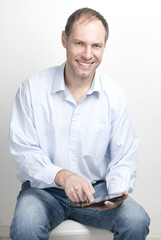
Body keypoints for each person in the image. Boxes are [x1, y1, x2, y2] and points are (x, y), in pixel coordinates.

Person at [9, 7, 150, 240]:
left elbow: (124, 155)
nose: (87, 54)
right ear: (64, 39)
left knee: (136, 221)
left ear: (104, 47)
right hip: (43, 192)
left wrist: (116, 192)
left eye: (96, 46)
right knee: (26, 226)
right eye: (79, 43)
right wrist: (63, 176)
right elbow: (24, 151)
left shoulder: (115, 96)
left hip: (97, 192)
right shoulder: (32, 89)